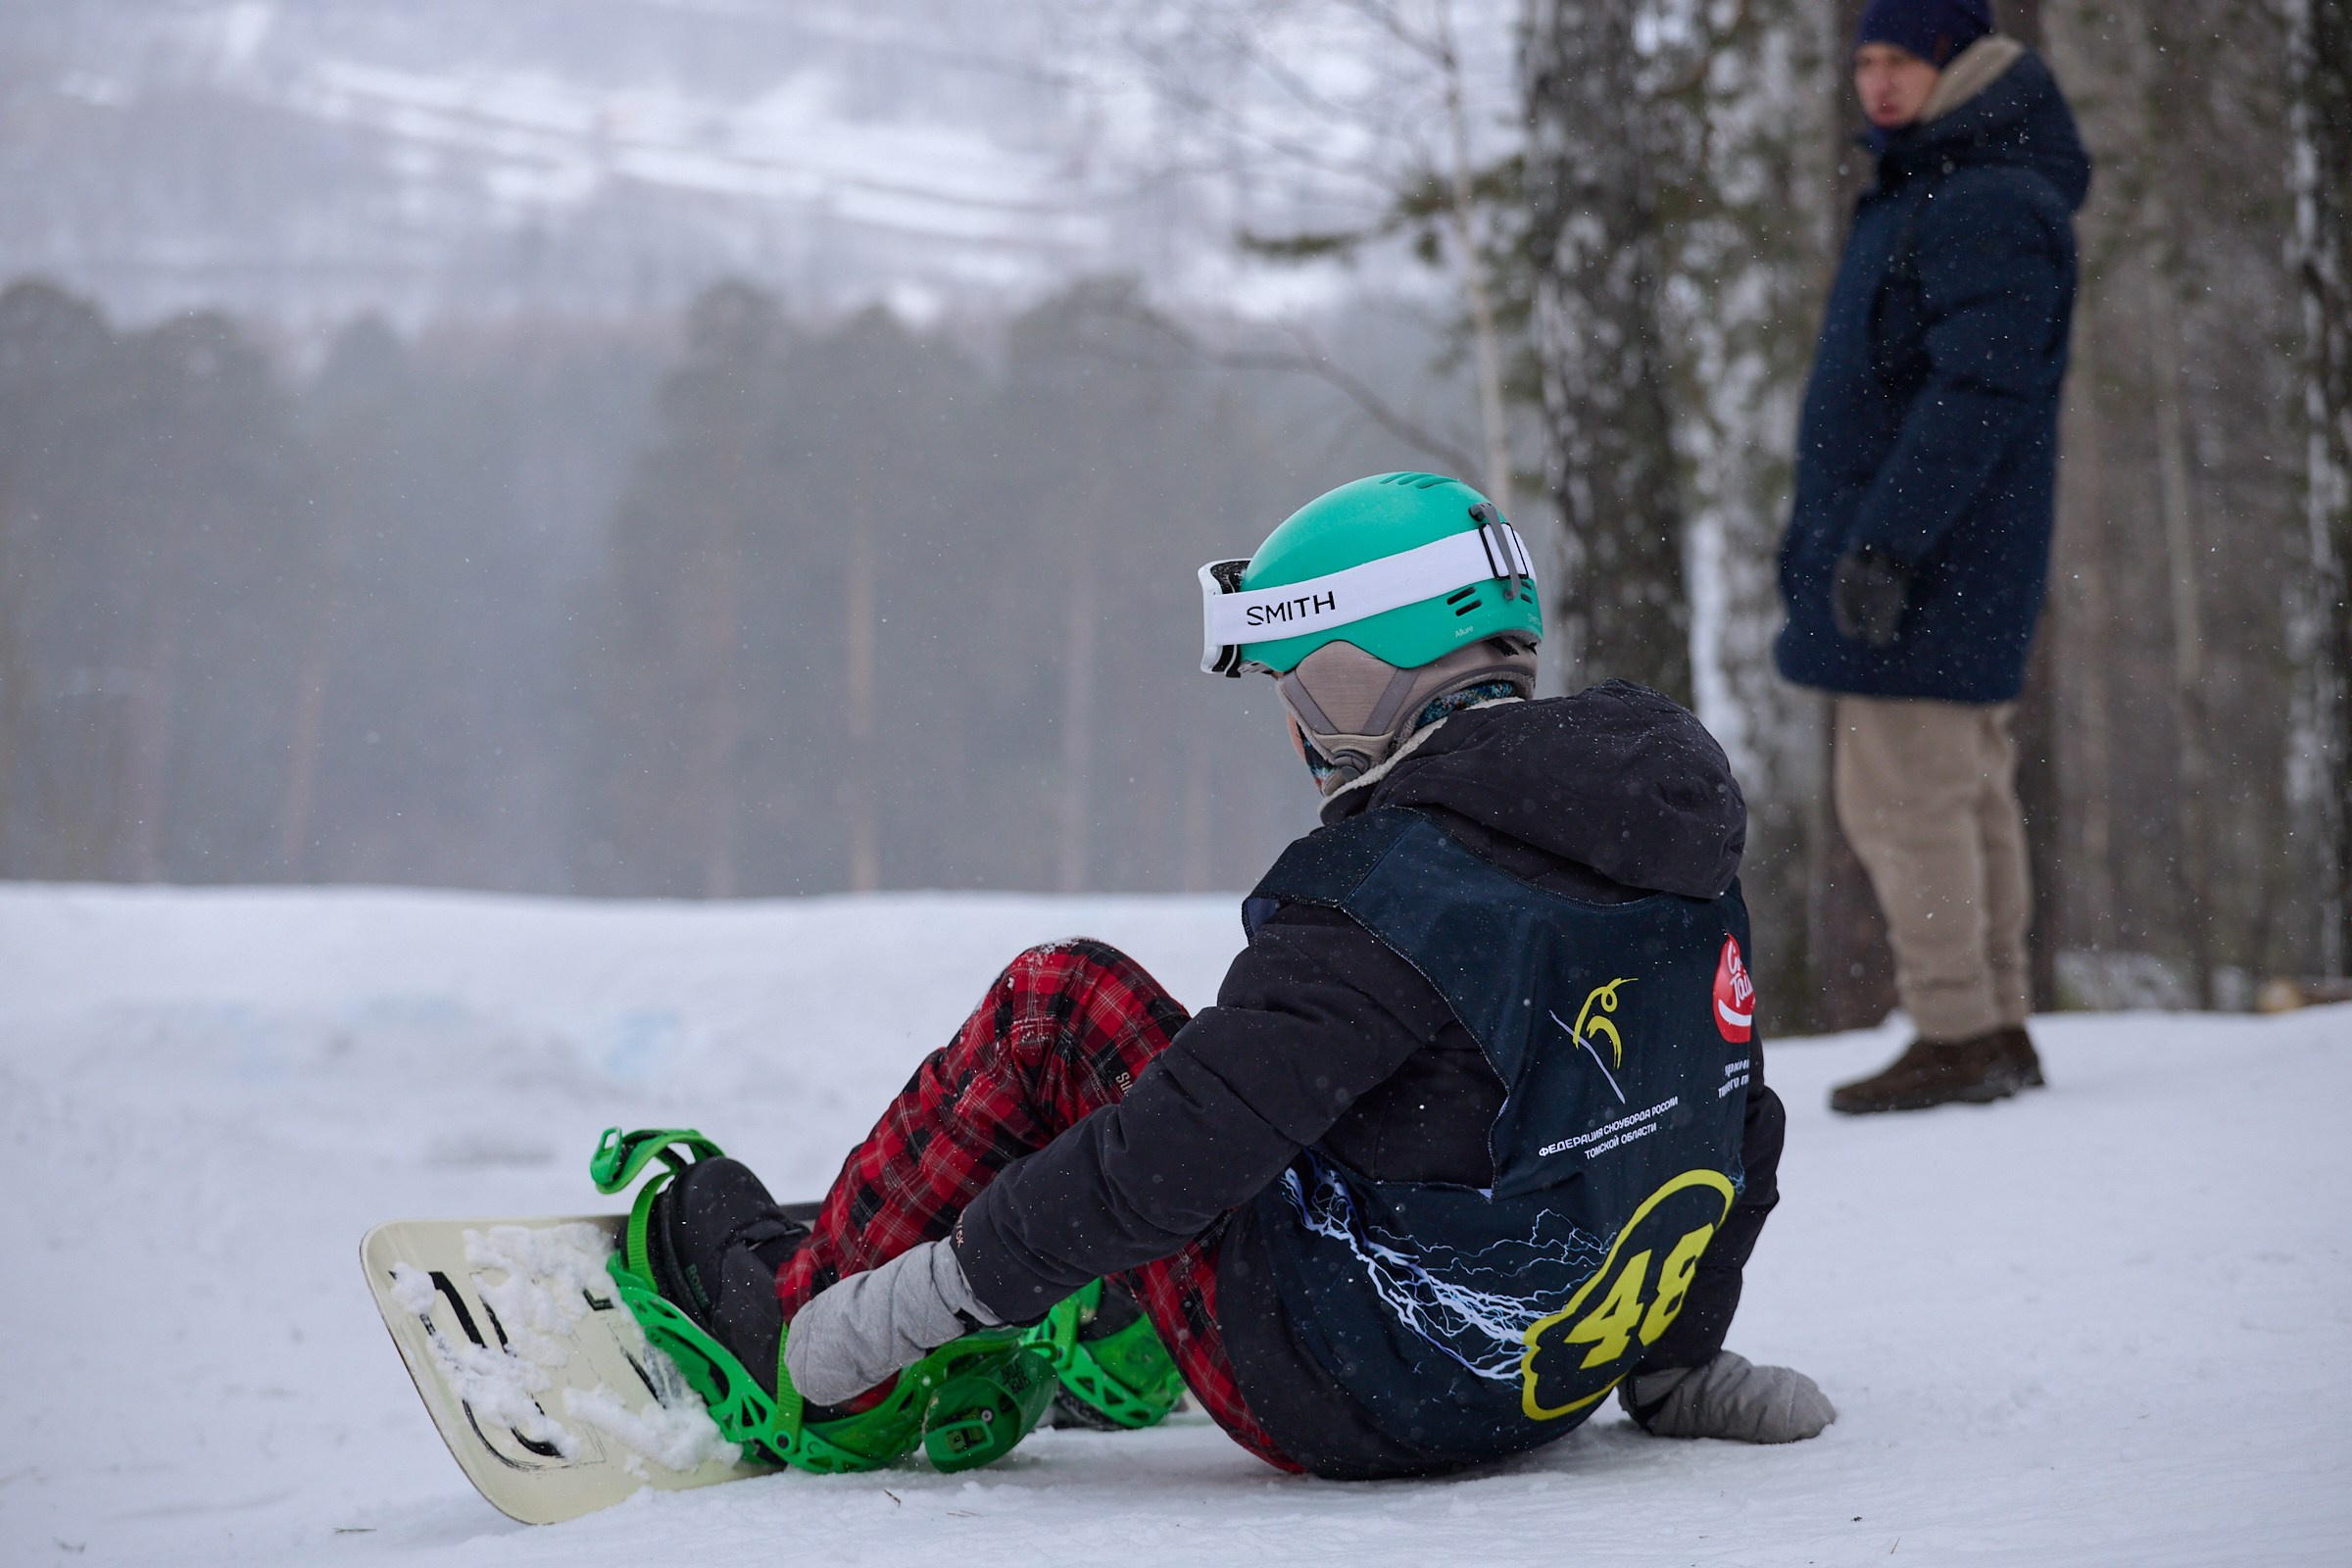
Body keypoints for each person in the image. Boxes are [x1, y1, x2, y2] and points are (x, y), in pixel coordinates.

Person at [635, 473, 1831, 1480]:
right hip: (1534, 1381)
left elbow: (1176, 1150)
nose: (1296, 725)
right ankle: (1121, 1317)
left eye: (1293, 682)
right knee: (1316, 1104)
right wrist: (1677, 1366)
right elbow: (1728, 1123)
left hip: (1354, 1393)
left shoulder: (1393, 890)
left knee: (1063, 1005)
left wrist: (929, 1295)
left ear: (1352, 677)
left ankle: (797, 1315)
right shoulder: (1659, 841)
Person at [1776, 0, 2091, 1115]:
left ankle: (1959, 1030)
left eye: (1903, 58)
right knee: (1960, 792)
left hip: (1931, 564)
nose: (1878, 80)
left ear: (1960, 62)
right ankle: (1990, 1024)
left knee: (1910, 802)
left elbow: (1979, 394)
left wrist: (1885, 544)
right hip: (1938, 556)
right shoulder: (1945, 182)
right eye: (1866, 59)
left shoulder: (1979, 196)